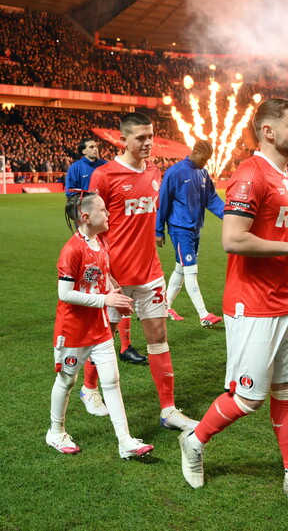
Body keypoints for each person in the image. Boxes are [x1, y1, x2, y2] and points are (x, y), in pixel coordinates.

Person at [177, 98, 288, 502]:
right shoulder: (251, 173)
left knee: (287, 392)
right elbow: (232, 239)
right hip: (252, 303)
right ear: (268, 131)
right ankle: (194, 440)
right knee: (249, 397)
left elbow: (283, 238)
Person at [88, 112, 197, 432]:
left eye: (151, 136)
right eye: (141, 138)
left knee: (158, 338)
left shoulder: (153, 170)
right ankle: (90, 389)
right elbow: (90, 228)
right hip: (114, 276)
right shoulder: (104, 176)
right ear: (122, 140)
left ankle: (168, 408)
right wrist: (102, 271)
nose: (149, 143)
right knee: (103, 339)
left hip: (150, 272)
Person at [46, 190, 154, 459]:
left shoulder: (101, 243)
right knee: (67, 381)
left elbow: (103, 277)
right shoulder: (72, 250)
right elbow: (65, 294)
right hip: (73, 331)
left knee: (112, 381)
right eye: (103, 210)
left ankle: (125, 441)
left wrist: (115, 292)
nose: (108, 214)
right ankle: (56, 432)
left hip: (100, 328)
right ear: (85, 216)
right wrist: (105, 299)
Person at [155, 139, 224, 326]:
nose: (206, 162)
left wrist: (229, 215)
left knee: (181, 269)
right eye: (205, 158)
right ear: (195, 152)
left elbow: (211, 199)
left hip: (195, 228)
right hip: (180, 228)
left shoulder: (203, 172)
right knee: (191, 270)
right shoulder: (175, 172)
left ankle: (165, 306)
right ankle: (204, 315)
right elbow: (163, 201)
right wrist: (158, 229)